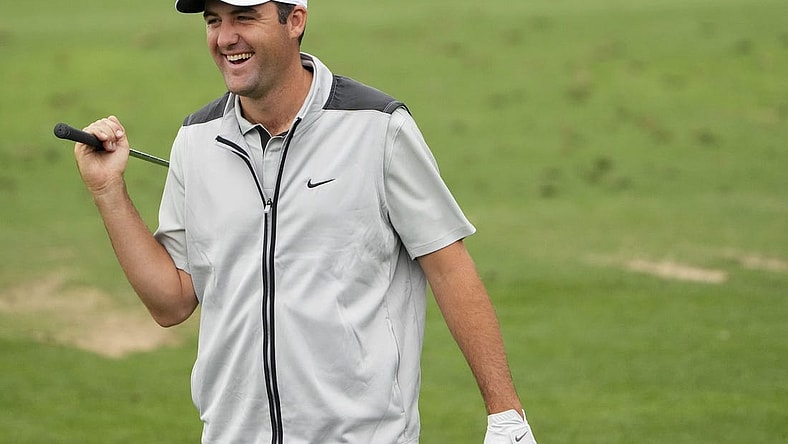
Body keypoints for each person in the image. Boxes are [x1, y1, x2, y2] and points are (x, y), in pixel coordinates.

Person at [73, 0, 537, 443]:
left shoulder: (377, 127)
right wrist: (108, 192)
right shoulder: (196, 141)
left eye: (244, 18)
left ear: (294, 20)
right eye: (214, 21)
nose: (225, 38)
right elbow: (171, 302)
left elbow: (449, 267)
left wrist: (505, 416)